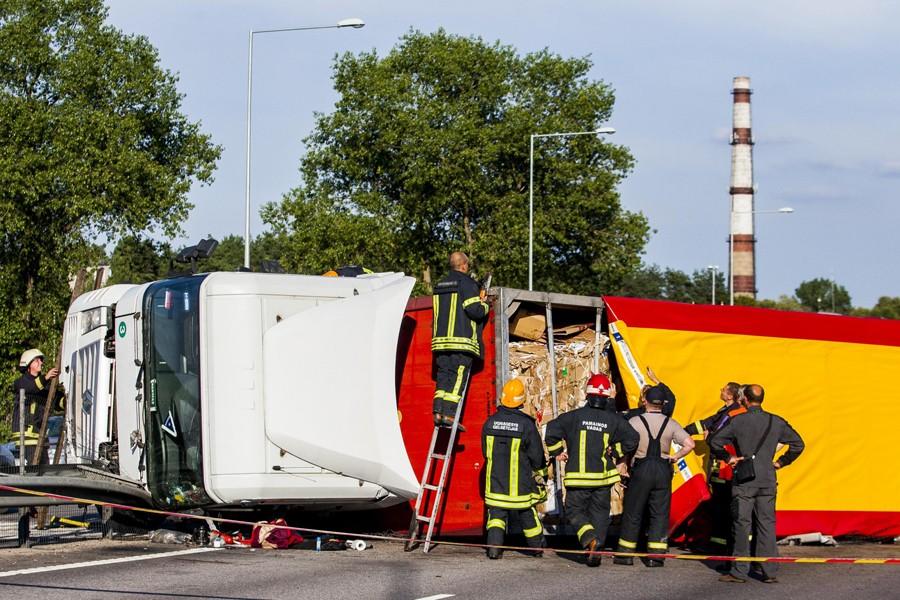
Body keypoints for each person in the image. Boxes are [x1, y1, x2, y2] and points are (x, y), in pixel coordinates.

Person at [711, 384, 804, 584]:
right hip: (768, 479)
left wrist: (729, 458)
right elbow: (798, 444)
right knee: (766, 525)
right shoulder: (776, 421)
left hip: (744, 480)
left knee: (742, 525)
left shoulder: (738, 421)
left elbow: (715, 441)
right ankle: (769, 570)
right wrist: (781, 462)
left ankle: (739, 571)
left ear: (744, 399)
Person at [545, 373, 638, 567]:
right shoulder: (613, 420)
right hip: (602, 479)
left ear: (588, 395)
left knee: (573, 509)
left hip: (579, 478)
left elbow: (552, 430)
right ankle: (597, 549)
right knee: (600, 514)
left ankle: (589, 539)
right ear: (605, 398)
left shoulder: (573, 417)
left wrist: (558, 452)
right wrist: (615, 451)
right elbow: (633, 439)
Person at [614, 385, 695, 567]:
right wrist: (674, 457)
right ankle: (656, 556)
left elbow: (625, 443)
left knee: (633, 512)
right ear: (662, 404)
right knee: (659, 513)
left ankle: (625, 554)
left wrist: (623, 463)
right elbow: (690, 444)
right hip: (663, 469)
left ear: (646, 401)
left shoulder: (635, 421)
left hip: (641, 469)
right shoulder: (671, 423)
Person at [481, 379, 548, 559]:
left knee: (496, 515)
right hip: (520, 484)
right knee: (527, 515)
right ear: (521, 400)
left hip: (495, 483)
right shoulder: (526, 425)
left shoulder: (490, 422)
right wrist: (542, 475)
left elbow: (485, 452)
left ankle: (494, 550)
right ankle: (537, 549)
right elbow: (536, 455)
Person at [684, 382, 746, 552]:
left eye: (724, 389)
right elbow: (706, 423)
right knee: (719, 507)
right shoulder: (725, 412)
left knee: (722, 507)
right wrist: (683, 432)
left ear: (731, 395)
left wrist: (709, 436)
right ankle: (719, 545)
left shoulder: (733, 413)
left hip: (726, 469)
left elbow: (717, 437)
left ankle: (722, 547)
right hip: (721, 467)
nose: (720, 390)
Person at [431, 251, 489, 431]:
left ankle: (438, 412)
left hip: (440, 343)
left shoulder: (439, 284)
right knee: (457, 377)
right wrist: (485, 304)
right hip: (461, 342)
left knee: (443, 377)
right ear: (464, 265)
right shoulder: (468, 284)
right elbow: (474, 310)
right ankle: (449, 415)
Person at [10, 349, 64, 465]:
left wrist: (66, 401)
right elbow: (30, 388)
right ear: (28, 365)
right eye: (37, 361)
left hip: (40, 434)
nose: (41, 363)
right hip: (27, 435)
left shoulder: (44, 385)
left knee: (45, 469)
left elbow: (55, 400)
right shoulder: (21, 382)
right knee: (34, 470)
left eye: (41, 360)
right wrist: (46, 378)